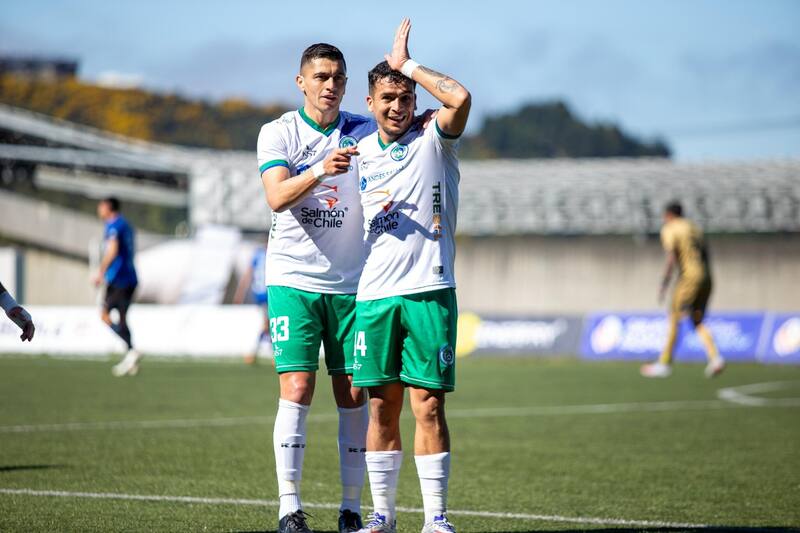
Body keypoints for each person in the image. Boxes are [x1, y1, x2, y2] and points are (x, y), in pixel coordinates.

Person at [352, 19, 471, 533]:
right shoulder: (358, 151)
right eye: (387, 97)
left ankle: (436, 518)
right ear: (371, 101)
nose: (397, 106)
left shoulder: (434, 136)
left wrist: (409, 67)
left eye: (404, 96)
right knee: (381, 408)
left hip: (428, 291)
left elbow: (460, 98)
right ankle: (382, 515)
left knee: (427, 406)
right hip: (375, 295)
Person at [257, 43, 377, 533]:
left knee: (352, 392)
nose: (331, 85)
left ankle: (351, 508)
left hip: (353, 283)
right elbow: (277, 196)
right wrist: (321, 168)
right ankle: (290, 508)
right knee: (299, 387)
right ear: (301, 82)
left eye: (339, 78)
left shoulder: (365, 130)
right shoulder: (279, 132)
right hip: (293, 278)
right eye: (322, 76)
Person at [641, 201, 725, 378]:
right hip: (707, 277)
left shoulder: (671, 228)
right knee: (697, 320)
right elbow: (705, 253)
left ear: (669, 215)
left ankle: (664, 363)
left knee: (674, 317)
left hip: (688, 277)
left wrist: (664, 283)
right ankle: (715, 358)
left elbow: (672, 258)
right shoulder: (694, 228)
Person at [92, 197, 140, 377]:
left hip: (119, 279)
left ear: (108, 208)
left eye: (101, 205)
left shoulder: (113, 226)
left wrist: (101, 271)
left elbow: (113, 250)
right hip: (131, 278)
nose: (99, 209)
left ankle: (131, 350)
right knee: (122, 317)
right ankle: (130, 356)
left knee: (104, 315)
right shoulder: (126, 225)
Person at [233, 244, 272, 364]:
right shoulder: (271, 253)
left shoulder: (258, 254)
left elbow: (248, 274)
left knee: (268, 323)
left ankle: (255, 353)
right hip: (267, 293)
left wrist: (240, 293)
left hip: (260, 293)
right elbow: (249, 274)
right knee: (268, 323)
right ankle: (263, 353)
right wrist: (240, 293)